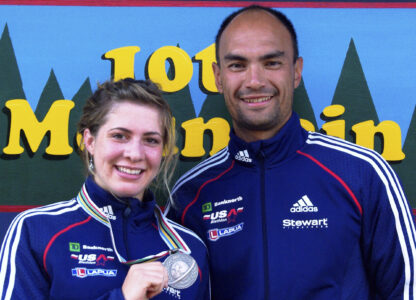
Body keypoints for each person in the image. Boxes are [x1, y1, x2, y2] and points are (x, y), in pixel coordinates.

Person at [165, 5, 416, 300]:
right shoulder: (190, 194)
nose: (254, 81)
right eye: (237, 65)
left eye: (271, 63)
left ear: (296, 72)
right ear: (218, 77)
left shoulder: (362, 172)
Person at [0, 79, 210, 300]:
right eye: (119, 136)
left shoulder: (190, 249)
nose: (135, 154)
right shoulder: (36, 231)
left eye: (151, 140)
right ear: (89, 141)